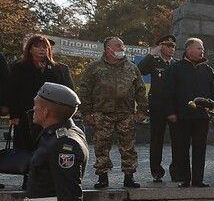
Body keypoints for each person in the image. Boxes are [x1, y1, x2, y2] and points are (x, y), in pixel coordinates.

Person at [77, 37, 147, 189]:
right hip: (102, 113)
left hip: (126, 113)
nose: (122, 48)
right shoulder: (94, 67)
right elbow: (85, 89)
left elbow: (140, 90)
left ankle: (129, 177)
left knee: (128, 147)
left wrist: (142, 110)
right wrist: (86, 112)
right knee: (101, 146)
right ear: (108, 49)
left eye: (122, 46)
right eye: (118, 46)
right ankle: (102, 177)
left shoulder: (131, 67)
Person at [163, 38, 214, 188]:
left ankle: (198, 179)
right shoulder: (176, 68)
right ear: (188, 50)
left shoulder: (207, 70)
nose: (202, 51)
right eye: (199, 48)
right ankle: (184, 179)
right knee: (182, 148)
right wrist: (170, 112)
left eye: (203, 48)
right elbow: (167, 91)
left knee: (200, 148)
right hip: (182, 116)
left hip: (202, 116)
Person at [7, 34, 74, 153]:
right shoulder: (18, 67)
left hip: (52, 118)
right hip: (25, 116)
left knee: (50, 149)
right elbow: (12, 92)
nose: (42, 49)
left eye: (45, 47)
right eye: (37, 46)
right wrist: (14, 115)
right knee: (25, 151)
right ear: (30, 49)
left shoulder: (60, 69)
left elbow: (69, 92)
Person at [138, 36, 178, 182]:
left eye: (173, 46)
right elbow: (140, 70)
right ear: (161, 47)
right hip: (157, 107)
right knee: (156, 140)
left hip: (174, 108)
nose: (171, 49)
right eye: (168, 46)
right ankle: (157, 172)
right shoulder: (154, 62)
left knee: (177, 141)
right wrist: (152, 54)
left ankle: (176, 171)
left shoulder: (176, 64)